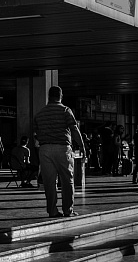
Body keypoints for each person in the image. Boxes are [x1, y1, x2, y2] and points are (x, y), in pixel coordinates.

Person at [31, 86, 83, 218]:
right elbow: (74, 129)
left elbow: (35, 134)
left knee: (49, 182)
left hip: (45, 149)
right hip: (62, 148)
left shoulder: (40, 113)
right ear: (61, 96)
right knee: (67, 180)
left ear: (49, 96)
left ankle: (52, 211)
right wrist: (82, 146)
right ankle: (68, 210)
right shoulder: (65, 110)